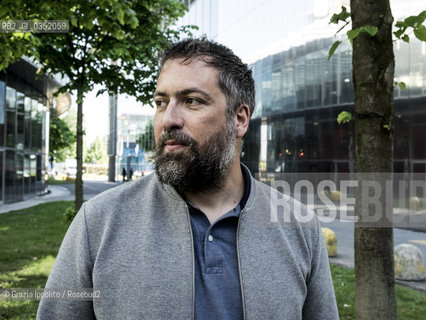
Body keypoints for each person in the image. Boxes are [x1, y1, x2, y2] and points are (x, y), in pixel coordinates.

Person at [37, 38, 339, 319]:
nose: (168, 119)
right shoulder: (99, 222)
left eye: (192, 100)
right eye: (160, 102)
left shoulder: (299, 227)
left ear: (240, 119)